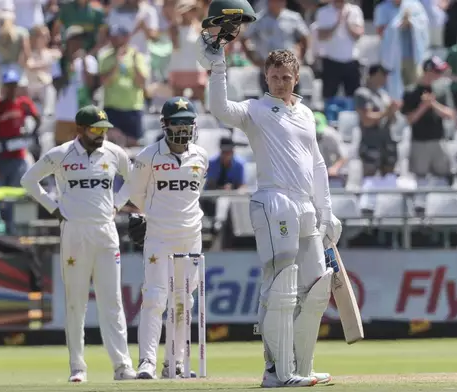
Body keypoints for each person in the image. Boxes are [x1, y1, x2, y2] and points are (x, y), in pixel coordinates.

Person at [198, 16, 342, 386]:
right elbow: (220, 109)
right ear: (267, 77)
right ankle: (277, 371)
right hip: (273, 200)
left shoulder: (307, 113)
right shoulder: (256, 110)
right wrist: (218, 64)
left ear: (297, 78)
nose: (280, 82)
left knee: (315, 287)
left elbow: (319, 164)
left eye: (286, 77)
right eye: (274, 77)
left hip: (306, 206)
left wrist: (327, 211)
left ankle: (302, 367)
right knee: (281, 287)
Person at [20, 105, 136, 383]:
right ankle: (78, 368)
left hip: (106, 231)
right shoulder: (60, 154)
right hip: (74, 232)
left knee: (113, 302)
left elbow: (134, 180)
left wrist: (118, 205)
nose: (102, 134)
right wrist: (53, 207)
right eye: (96, 129)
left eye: (104, 129)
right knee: (76, 303)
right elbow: (29, 180)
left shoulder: (114, 152)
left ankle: (122, 367)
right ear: (80, 130)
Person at [126, 97, 208, 380]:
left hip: (191, 238)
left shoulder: (201, 157)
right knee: (154, 298)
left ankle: (175, 362)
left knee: (184, 302)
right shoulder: (148, 156)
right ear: (165, 125)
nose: (183, 128)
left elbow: (193, 195)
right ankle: (147, 361)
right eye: (177, 122)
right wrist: (148, 216)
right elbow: (136, 195)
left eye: (187, 122)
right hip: (159, 237)